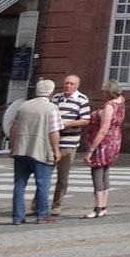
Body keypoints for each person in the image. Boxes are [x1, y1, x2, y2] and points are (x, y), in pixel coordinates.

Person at [7, 78, 64, 224]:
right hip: (40, 150)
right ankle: (42, 214)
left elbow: (13, 128)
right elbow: (54, 132)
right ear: (51, 92)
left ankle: (17, 216)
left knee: (19, 184)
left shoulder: (24, 106)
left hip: (21, 149)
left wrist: (12, 146)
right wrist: (56, 150)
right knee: (42, 183)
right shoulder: (51, 108)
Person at [79, 79, 126, 218]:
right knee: (105, 171)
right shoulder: (121, 101)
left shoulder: (109, 107)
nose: (102, 94)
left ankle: (98, 207)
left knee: (97, 172)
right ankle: (104, 206)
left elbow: (103, 130)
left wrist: (90, 150)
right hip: (115, 140)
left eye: (104, 91)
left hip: (104, 143)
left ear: (108, 93)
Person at [50, 73, 92, 213]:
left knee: (62, 176)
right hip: (51, 142)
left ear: (77, 86)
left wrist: (71, 123)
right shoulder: (56, 98)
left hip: (69, 142)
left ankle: (57, 205)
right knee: (44, 175)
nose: (68, 86)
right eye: (66, 83)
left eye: (71, 84)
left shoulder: (81, 99)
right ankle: (37, 204)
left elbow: (86, 120)